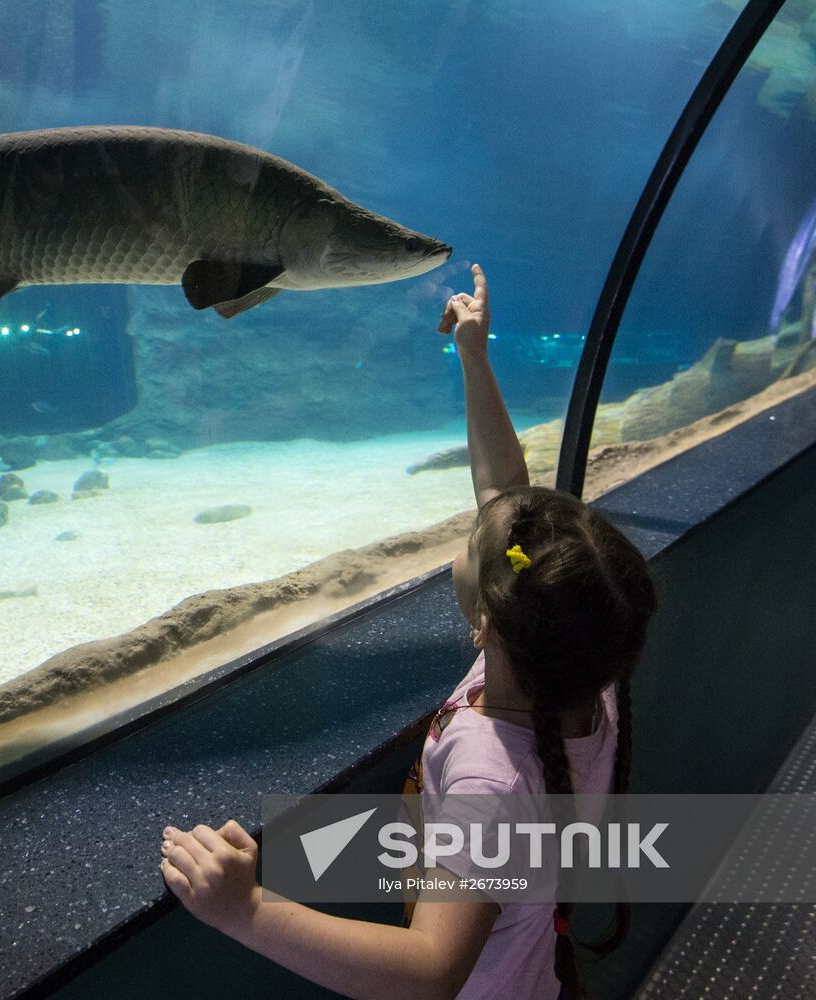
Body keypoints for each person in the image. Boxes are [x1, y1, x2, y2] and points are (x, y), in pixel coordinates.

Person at [159, 264, 659, 999]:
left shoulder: (494, 774)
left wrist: (247, 909)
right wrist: (474, 355)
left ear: (483, 622)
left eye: (470, 541)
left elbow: (430, 971)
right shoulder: (580, 665)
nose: (477, 517)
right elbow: (503, 495)